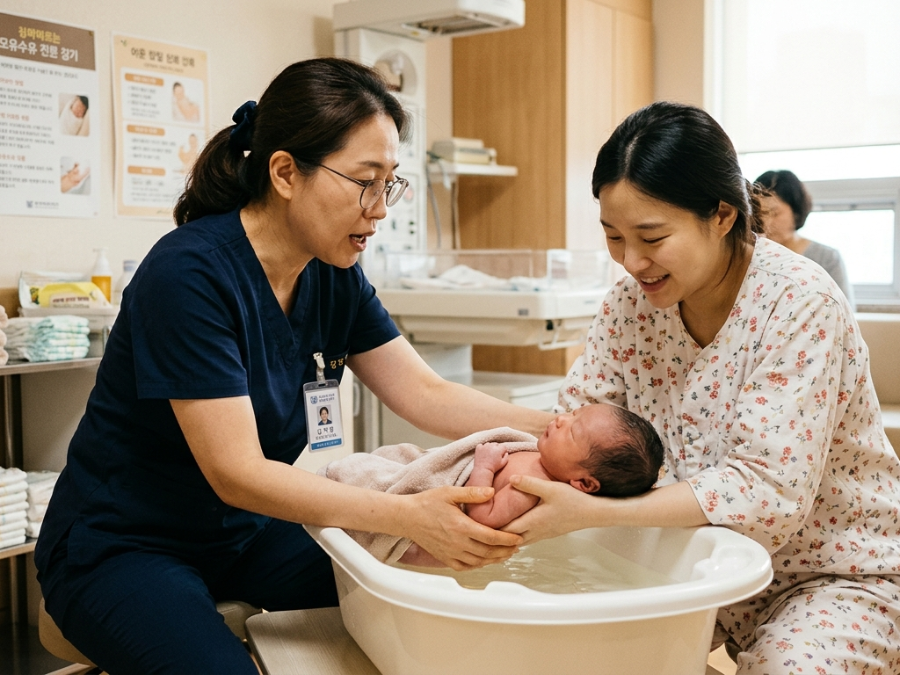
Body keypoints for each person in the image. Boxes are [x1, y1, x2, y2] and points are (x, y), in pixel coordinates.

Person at [35, 58, 553, 675]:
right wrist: (408, 514)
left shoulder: (333, 274)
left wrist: (561, 429)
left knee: (419, 606)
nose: (380, 208)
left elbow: (423, 391)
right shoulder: (190, 275)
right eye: (366, 181)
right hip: (124, 543)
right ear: (285, 172)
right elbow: (237, 473)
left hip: (247, 533)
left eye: (390, 183)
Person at [504, 101, 900, 674]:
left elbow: (768, 492)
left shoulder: (799, 303)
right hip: (702, 558)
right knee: (565, 643)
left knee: (783, 664)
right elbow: (576, 423)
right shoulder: (629, 308)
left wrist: (596, 516)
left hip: (832, 570)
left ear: (721, 215)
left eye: (651, 237)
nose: (632, 262)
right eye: (614, 237)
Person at [320, 403, 663, 567]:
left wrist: (483, 468)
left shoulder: (534, 485)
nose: (560, 419)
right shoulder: (536, 454)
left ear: (584, 482)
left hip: (423, 542)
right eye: (573, 413)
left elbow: (482, 517)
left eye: (572, 430)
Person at [756, 169, 856, 308]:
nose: (766, 222)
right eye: (760, 213)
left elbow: (845, 312)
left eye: (774, 213)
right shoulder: (753, 258)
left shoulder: (826, 258)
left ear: (796, 212)